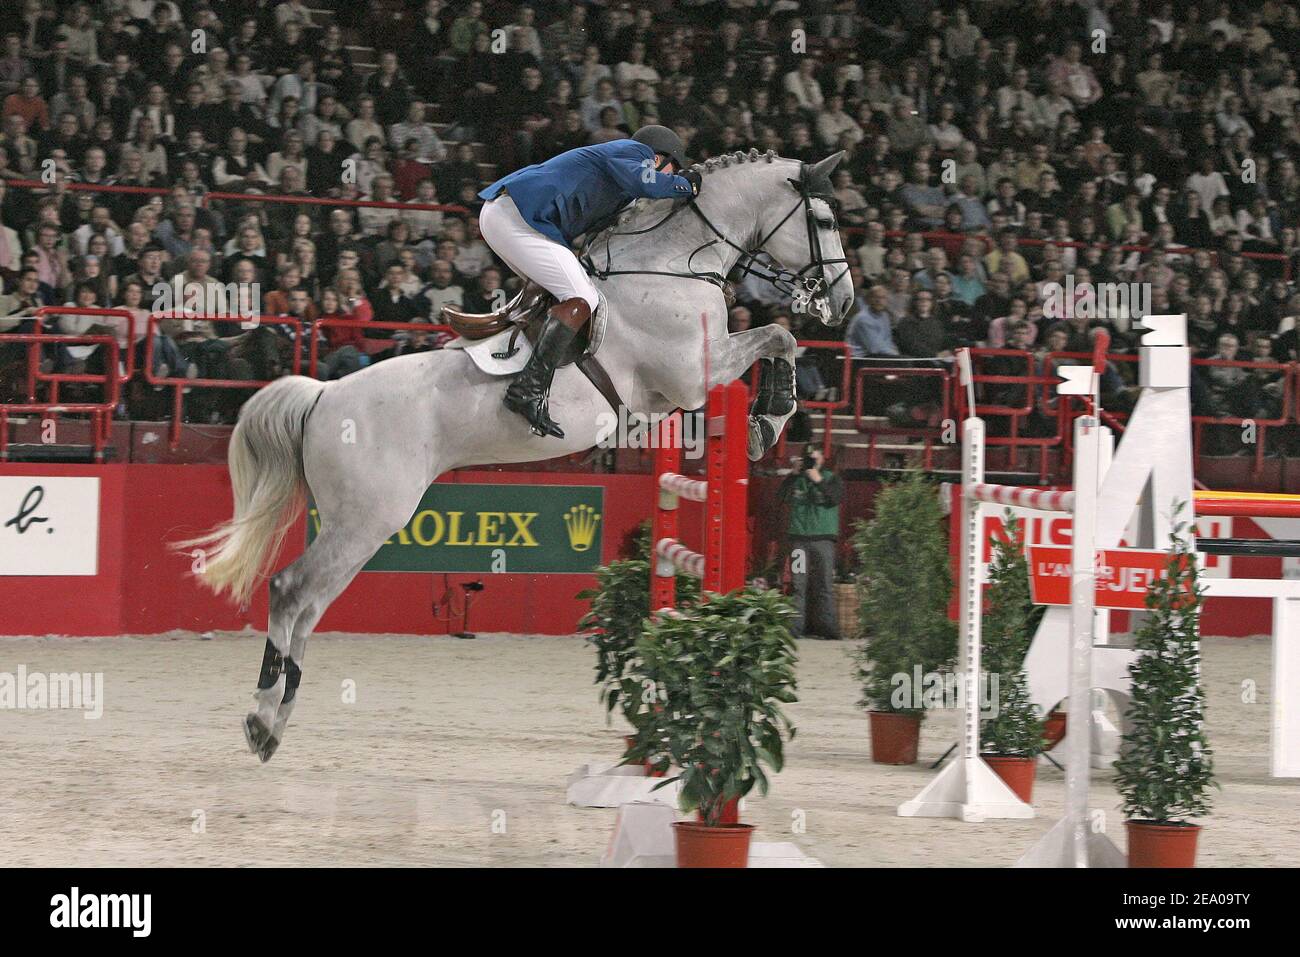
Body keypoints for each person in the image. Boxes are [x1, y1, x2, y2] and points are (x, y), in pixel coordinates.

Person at [448, 125, 700, 438]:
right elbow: (646, 181)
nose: (670, 174)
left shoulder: (620, 189)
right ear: (660, 157)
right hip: (519, 218)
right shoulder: (633, 152)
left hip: (513, 218)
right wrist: (682, 185)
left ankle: (512, 351)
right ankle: (528, 388)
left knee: (566, 288)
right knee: (582, 297)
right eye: (672, 168)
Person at [778, 443, 843, 640]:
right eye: (808, 459)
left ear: (823, 458)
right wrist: (792, 474)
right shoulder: (796, 480)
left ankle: (828, 629)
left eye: (814, 458)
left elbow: (835, 498)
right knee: (798, 585)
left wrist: (818, 480)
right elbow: (781, 497)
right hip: (799, 540)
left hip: (824, 540)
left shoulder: (832, 479)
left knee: (825, 584)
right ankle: (795, 629)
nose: (811, 462)